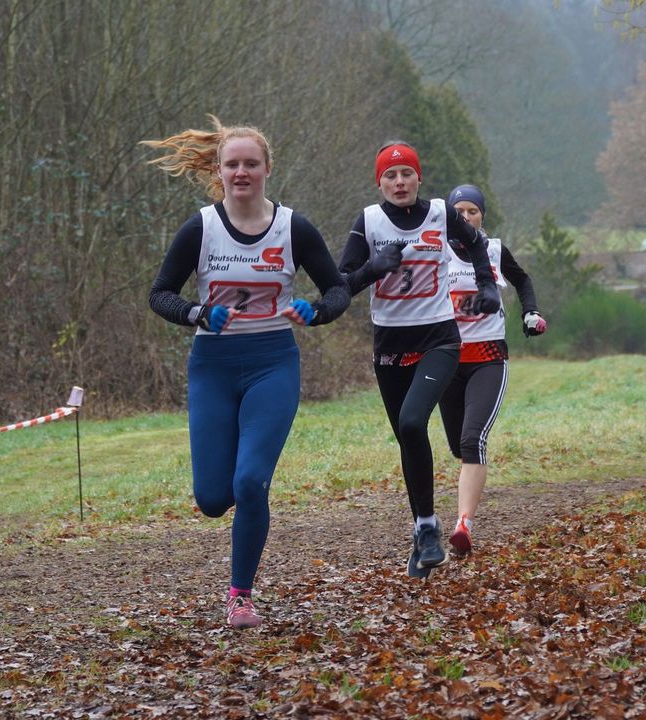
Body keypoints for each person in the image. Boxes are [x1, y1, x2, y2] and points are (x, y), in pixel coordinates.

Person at [144, 117, 350, 628]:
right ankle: (232, 523)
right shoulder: (201, 228)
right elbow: (160, 294)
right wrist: (197, 313)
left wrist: (315, 311)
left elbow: (338, 290)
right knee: (214, 499)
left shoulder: (293, 228)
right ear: (219, 170)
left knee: (251, 482)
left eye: (250, 164)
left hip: (272, 362)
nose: (242, 172)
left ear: (267, 169)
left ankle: (241, 596)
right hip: (212, 366)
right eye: (232, 164)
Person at [338, 143, 501, 578]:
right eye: (390, 176)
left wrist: (487, 285)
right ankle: (423, 530)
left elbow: (477, 245)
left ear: (419, 178)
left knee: (413, 422)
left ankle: (428, 529)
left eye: (407, 174)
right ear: (380, 183)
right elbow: (340, 284)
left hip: (439, 339)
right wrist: (373, 268)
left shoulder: (439, 214)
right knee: (408, 438)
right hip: (390, 345)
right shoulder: (368, 222)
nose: (399, 182)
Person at [436, 184, 546, 557]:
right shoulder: (434, 252)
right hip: (447, 359)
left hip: (487, 357)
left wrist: (530, 312)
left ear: (482, 216)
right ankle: (468, 489)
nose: (466, 218)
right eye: (459, 212)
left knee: (472, 441)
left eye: (473, 212)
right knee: (458, 445)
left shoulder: (494, 250)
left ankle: (463, 524)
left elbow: (523, 280)